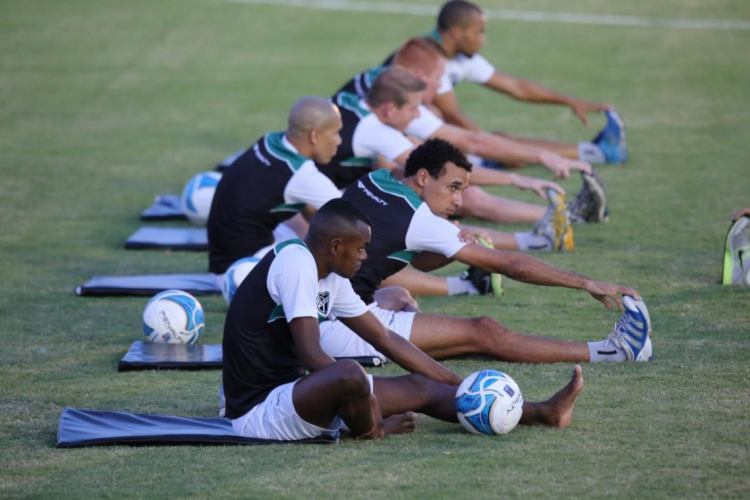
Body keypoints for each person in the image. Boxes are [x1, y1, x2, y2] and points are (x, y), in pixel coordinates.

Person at [222, 197, 584, 440]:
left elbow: (388, 340)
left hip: (295, 393)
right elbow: (312, 356)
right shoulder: (296, 262)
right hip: (256, 411)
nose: (365, 256)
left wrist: (461, 384)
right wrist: (366, 400)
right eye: (360, 247)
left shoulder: (333, 277)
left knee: (420, 387)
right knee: (349, 373)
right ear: (335, 246)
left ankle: (541, 413)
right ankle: (370, 432)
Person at [320, 138, 653, 364]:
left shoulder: (376, 180)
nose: (459, 201)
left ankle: (435, 339)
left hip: (319, 306)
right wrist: (587, 283)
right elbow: (510, 265)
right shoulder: (419, 220)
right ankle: (611, 351)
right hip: (340, 325)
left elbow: (415, 258)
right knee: (484, 330)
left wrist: (451, 247)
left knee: (398, 294)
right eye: (453, 188)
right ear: (423, 177)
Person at [337, 37, 609, 225]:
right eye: (438, 80)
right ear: (419, 76)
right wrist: (531, 167)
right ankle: (563, 220)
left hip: (337, 189)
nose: (442, 88)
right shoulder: (396, 105)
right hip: (334, 204)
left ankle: (564, 216)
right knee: (453, 194)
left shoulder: (381, 86)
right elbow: (469, 144)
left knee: (436, 184)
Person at [323, 66, 576, 253]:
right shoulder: (376, 131)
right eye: (412, 109)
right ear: (389, 108)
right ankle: (533, 241)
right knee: (419, 210)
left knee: (425, 196)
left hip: (329, 198)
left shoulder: (352, 103)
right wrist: (515, 179)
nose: (415, 117)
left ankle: (540, 235)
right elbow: (440, 170)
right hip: (322, 211)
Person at [418, 0, 626, 164]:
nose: (482, 40)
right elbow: (452, 115)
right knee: (494, 143)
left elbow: (516, 87)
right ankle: (485, 162)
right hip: (407, 143)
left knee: (499, 140)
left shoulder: (458, 56)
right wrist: (497, 149)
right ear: (456, 33)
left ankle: (597, 152)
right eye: (478, 32)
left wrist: (569, 101)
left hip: (424, 133)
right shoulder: (429, 60)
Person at [207, 96, 343, 283]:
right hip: (242, 271)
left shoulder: (271, 141)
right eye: (335, 133)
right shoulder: (299, 174)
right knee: (344, 258)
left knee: (317, 227)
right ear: (315, 136)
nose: (339, 141)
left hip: (225, 258)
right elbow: (355, 214)